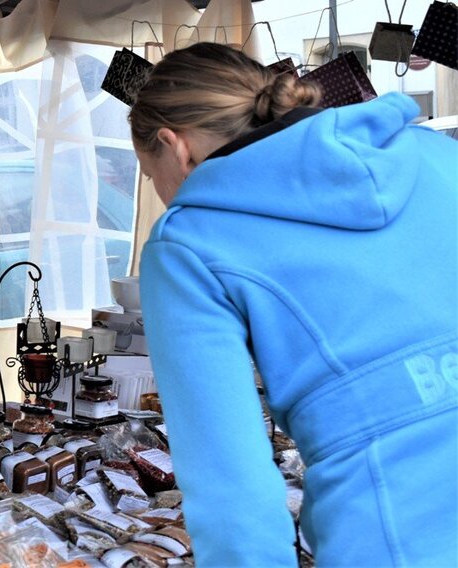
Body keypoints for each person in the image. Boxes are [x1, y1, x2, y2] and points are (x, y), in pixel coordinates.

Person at [130, 42, 457, 566]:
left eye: (152, 177)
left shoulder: (189, 242)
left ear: (175, 147)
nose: (163, 194)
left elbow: (234, 492)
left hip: (393, 534)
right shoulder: (435, 154)